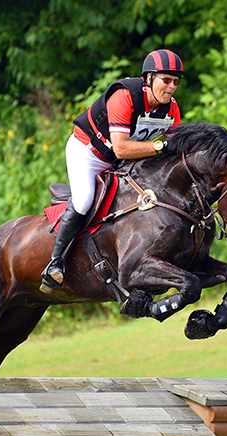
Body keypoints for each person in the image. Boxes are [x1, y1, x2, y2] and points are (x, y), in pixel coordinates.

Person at [40, 49, 184, 293]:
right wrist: (160, 146)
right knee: (84, 200)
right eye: (166, 80)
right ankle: (55, 263)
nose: (171, 87)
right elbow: (121, 148)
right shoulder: (125, 96)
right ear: (148, 79)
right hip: (88, 153)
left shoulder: (171, 110)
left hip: (122, 161)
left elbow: (175, 149)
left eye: (175, 82)